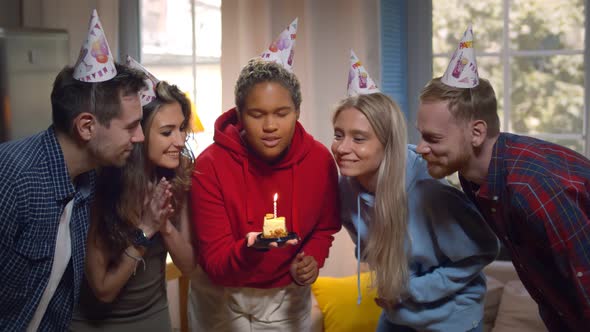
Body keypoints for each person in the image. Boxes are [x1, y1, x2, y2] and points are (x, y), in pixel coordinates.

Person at [415, 25, 590, 332]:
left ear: (477, 132)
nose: (420, 148)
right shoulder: (474, 176)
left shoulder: (531, 189)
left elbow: (584, 280)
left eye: (433, 138)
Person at [188, 58, 341, 331]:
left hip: (286, 296)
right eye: (257, 115)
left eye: (282, 113)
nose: (270, 125)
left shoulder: (319, 160)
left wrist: (311, 258)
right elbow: (214, 259)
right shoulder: (209, 165)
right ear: (240, 114)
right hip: (219, 297)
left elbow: (325, 227)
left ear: (297, 111)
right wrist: (251, 249)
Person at [332, 91, 498, 332]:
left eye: (359, 139)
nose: (342, 147)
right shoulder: (347, 189)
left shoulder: (432, 192)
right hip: (397, 315)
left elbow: (482, 253)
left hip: (451, 321)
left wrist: (407, 289)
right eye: (338, 135)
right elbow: (366, 248)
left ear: (388, 143)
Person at [0, 64, 146, 332]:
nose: (140, 136)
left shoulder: (87, 179)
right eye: (132, 126)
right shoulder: (12, 176)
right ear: (87, 126)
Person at [69, 80, 197, 331]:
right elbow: (104, 289)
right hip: (95, 324)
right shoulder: (102, 183)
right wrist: (146, 229)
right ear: (138, 133)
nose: (181, 141)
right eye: (167, 132)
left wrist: (164, 226)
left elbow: (188, 264)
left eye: (182, 128)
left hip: (154, 317)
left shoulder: (177, 176)